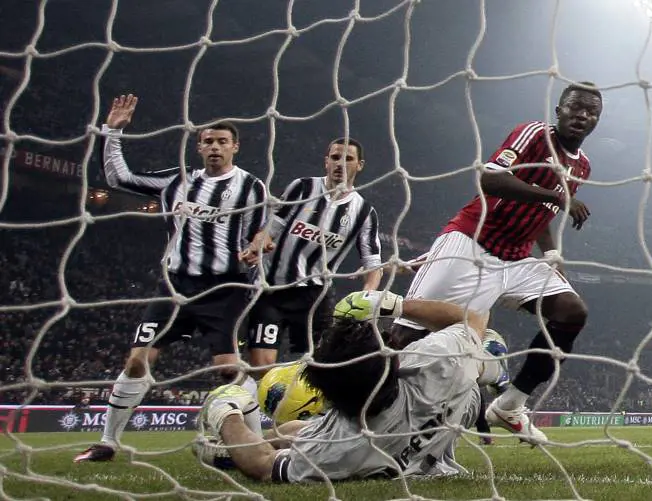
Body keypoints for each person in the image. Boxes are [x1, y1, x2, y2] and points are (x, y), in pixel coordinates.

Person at [390, 82, 603, 444]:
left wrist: (551, 255)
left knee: (571, 312)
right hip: (472, 243)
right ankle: (361, 413)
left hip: (515, 259)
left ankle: (510, 405)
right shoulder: (534, 134)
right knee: (405, 336)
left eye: (591, 111)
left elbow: (543, 213)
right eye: (575, 107)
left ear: (597, 120)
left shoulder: (582, 166)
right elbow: (489, 178)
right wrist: (556, 196)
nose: (582, 115)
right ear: (559, 111)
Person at [74, 94, 267, 462]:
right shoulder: (177, 181)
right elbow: (119, 178)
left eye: (222, 141)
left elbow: (260, 230)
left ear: (235, 147)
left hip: (223, 289)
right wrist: (112, 131)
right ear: (199, 147)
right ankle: (108, 442)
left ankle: (256, 444)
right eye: (208, 141)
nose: (215, 147)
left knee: (229, 368)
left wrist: (256, 247)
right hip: (175, 286)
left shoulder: (250, 187)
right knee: (137, 361)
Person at [194, 290, 508, 482]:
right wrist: (395, 305)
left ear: (331, 400)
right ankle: (495, 371)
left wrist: (226, 412)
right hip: (449, 415)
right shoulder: (432, 364)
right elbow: (474, 320)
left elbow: (263, 466)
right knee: (488, 347)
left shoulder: (336, 447)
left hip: (370, 443)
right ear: (393, 365)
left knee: (289, 434)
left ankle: (232, 449)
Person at [239, 137, 382, 379]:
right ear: (326, 161)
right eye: (335, 157)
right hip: (271, 289)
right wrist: (258, 245)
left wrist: (368, 292)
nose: (340, 164)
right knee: (261, 367)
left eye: (348, 159)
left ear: (359, 165)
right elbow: (271, 228)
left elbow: (373, 263)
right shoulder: (302, 188)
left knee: (321, 365)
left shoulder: (364, 212)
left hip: (314, 296)